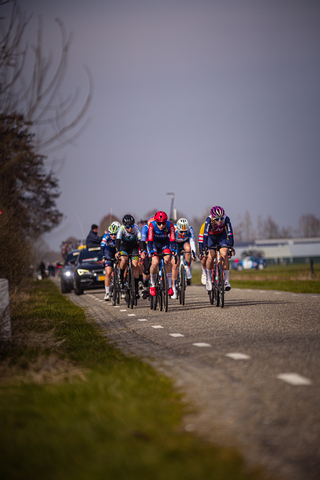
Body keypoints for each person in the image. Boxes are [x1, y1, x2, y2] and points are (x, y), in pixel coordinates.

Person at [202, 206, 235, 291]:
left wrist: (231, 247)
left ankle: (227, 281)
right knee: (210, 257)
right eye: (217, 219)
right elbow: (205, 236)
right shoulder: (208, 220)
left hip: (221, 237)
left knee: (224, 254)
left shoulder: (226, 218)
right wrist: (204, 249)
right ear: (213, 218)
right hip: (211, 238)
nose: (219, 221)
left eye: (221, 218)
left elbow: (230, 233)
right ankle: (209, 279)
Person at [147, 211, 177, 297]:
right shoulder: (152, 225)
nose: (161, 226)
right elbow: (149, 241)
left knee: (167, 260)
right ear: (156, 222)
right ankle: (152, 285)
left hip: (165, 244)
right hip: (154, 245)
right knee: (155, 263)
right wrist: (150, 251)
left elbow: (172, 240)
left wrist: (174, 250)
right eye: (159, 224)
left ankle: (170, 286)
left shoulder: (170, 225)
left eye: (163, 223)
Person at [116, 215, 141, 299]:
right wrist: (117, 251)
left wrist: (142, 251)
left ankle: (136, 289)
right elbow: (118, 241)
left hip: (133, 248)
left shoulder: (136, 228)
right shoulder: (121, 229)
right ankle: (121, 278)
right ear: (124, 226)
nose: (130, 228)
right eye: (127, 227)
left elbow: (141, 240)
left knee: (135, 265)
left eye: (131, 226)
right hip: (124, 247)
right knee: (124, 260)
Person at [171, 218, 197, 299]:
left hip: (184, 243)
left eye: (185, 232)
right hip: (174, 244)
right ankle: (174, 288)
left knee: (188, 249)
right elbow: (170, 242)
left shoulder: (190, 230)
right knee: (175, 265)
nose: (183, 233)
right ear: (177, 228)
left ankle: (188, 268)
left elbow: (192, 242)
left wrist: (194, 254)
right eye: (181, 231)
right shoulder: (173, 229)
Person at [100, 221, 121, 301]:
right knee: (108, 273)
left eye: (115, 234)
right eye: (111, 234)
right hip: (108, 253)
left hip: (116, 252)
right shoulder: (106, 237)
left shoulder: (119, 237)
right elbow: (102, 248)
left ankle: (120, 281)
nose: (113, 236)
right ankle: (107, 293)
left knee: (121, 264)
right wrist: (103, 256)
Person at [198, 221, 208, 285]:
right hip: (205, 243)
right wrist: (202, 252)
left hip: (217, 241)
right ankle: (204, 272)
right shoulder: (204, 225)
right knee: (204, 257)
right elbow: (201, 241)